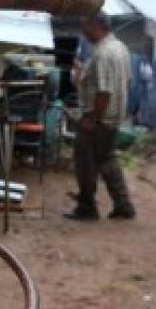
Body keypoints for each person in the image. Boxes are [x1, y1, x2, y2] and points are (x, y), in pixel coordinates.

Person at [66, 12, 137, 221]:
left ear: (96, 25)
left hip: (99, 117)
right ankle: (123, 205)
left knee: (85, 162)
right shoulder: (120, 48)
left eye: (85, 25)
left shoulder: (103, 53)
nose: (82, 31)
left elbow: (104, 92)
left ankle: (87, 207)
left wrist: (93, 118)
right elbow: (126, 82)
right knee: (107, 160)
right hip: (113, 116)